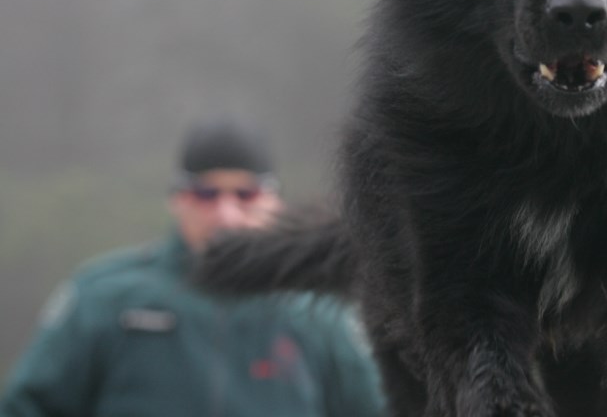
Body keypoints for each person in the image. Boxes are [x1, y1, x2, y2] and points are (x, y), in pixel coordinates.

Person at [0, 117, 384, 417]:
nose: (226, 213)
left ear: (274, 201)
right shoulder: (105, 298)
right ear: (177, 200)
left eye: (246, 193)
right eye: (206, 193)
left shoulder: (318, 315)